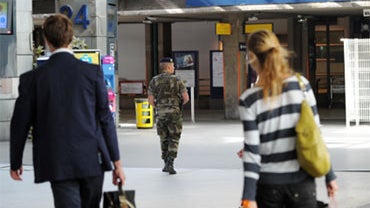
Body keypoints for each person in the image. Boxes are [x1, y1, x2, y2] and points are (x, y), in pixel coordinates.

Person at [10, 14, 125, 208]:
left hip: (57, 160)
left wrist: (16, 161)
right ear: (71, 39)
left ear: (46, 40)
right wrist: (117, 163)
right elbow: (105, 119)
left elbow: (19, 124)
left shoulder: (32, 79)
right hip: (92, 159)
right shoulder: (92, 73)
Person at [238, 30, 338, 208]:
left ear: (252, 56)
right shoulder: (302, 85)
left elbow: (252, 152)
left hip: (267, 187)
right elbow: (315, 135)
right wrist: (329, 176)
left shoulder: (248, 99)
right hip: (302, 183)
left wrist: (249, 197)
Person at [148, 57, 189, 175]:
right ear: (169, 67)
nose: (174, 68)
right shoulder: (177, 80)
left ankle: (165, 161)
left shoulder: (154, 80)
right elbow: (186, 98)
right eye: (173, 66)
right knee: (174, 138)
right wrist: (176, 105)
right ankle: (170, 163)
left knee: (163, 138)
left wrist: (160, 107)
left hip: (161, 114)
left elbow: (150, 100)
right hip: (174, 114)